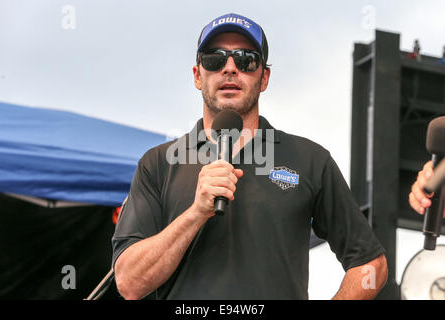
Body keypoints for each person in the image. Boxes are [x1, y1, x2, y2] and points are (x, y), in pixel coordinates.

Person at [112, 13, 387, 300]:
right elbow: (130, 283)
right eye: (214, 59)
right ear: (197, 75)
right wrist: (195, 213)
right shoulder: (158, 163)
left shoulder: (310, 160)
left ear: (264, 77)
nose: (230, 68)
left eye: (246, 59)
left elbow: (370, 263)